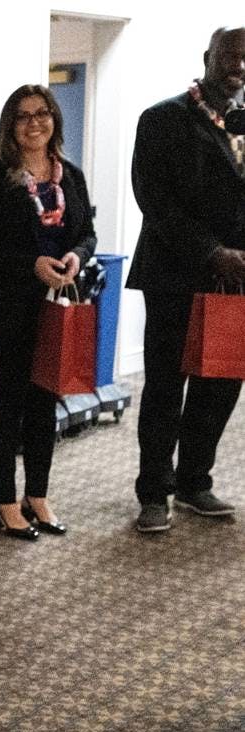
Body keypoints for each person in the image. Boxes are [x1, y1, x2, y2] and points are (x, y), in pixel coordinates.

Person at [0, 85, 96, 539]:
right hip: (8, 307)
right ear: (10, 125)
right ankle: (4, 502)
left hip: (55, 307)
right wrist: (31, 264)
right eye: (23, 116)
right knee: (8, 405)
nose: (34, 122)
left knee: (45, 402)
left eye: (43, 113)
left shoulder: (70, 176)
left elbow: (88, 233)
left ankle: (36, 495)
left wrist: (77, 254)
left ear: (54, 120)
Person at [128, 26, 245, 533]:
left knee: (221, 381)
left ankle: (196, 481)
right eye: (231, 57)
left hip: (237, 279)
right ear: (208, 58)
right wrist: (211, 252)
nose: (239, 67)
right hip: (176, 273)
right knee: (165, 385)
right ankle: (154, 491)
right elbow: (155, 202)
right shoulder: (163, 119)